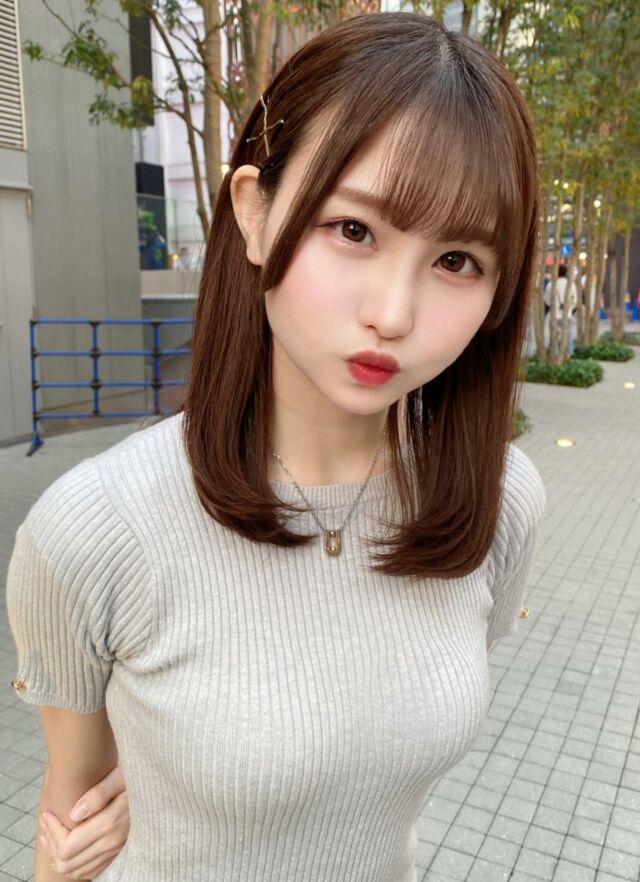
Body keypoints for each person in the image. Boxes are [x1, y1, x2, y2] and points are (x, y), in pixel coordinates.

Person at [6, 12, 546, 882]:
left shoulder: (497, 499)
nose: (394, 313)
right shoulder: (94, 531)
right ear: (254, 213)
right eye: (354, 230)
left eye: (457, 260)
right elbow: (71, 830)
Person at [552, 264, 578, 356]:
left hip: (555, 315)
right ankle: (568, 355)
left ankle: (556, 354)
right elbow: (575, 300)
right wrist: (570, 308)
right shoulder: (571, 284)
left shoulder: (553, 284)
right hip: (568, 314)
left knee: (555, 335)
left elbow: (547, 299)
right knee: (568, 335)